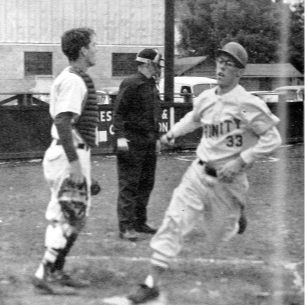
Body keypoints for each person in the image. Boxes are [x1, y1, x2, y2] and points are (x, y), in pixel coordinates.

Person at [127, 42, 282, 304]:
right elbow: (193, 118)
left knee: (220, 233)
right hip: (198, 173)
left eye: (229, 64)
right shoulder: (207, 98)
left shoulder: (247, 103)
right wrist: (171, 134)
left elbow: (272, 137)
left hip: (228, 180)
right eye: (221, 61)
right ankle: (150, 282)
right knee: (174, 221)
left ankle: (237, 211)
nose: (222, 67)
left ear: (240, 73)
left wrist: (242, 159)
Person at [32, 27, 99, 295]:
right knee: (68, 216)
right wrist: (74, 165)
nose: (97, 49)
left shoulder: (73, 77)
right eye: (94, 45)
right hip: (67, 154)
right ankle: (45, 273)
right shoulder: (74, 80)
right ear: (83, 50)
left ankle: (55, 271)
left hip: (71, 152)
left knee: (74, 216)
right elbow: (62, 121)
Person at [113, 48, 164, 241]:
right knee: (129, 184)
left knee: (146, 183)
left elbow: (153, 115)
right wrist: (119, 137)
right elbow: (118, 113)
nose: (158, 67)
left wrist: (156, 138)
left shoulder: (150, 85)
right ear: (147, 63)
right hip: (131, 141)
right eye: (156, 63)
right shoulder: (131, 83)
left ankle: (139, 222)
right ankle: (125, 226)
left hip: (148, 141)